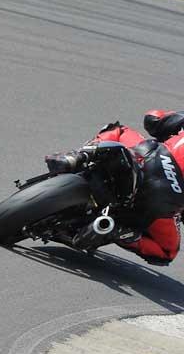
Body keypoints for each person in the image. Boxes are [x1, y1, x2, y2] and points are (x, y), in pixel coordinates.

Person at [45, 110, 184, 266]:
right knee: (166, 252)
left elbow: (153, 119)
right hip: (167, 198)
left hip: (151, 157)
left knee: (119, 131)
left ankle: (77, 156)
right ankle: (120, 232)